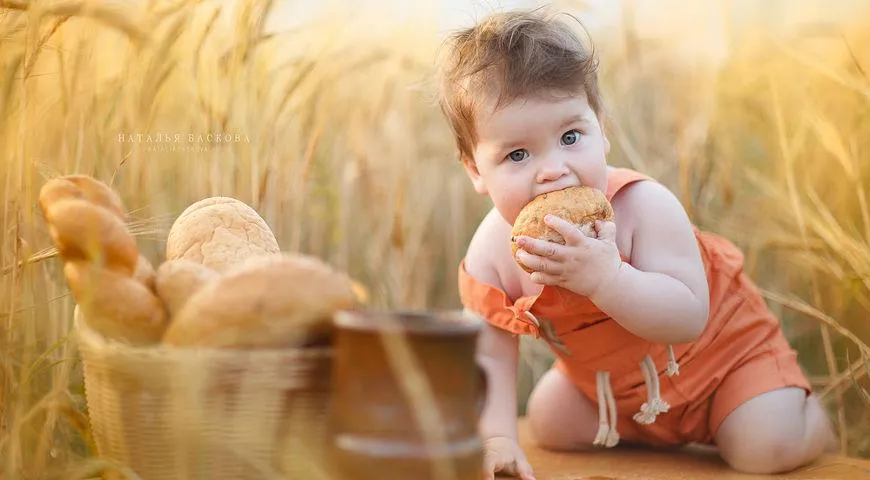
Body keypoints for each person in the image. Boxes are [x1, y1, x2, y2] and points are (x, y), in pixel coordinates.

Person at [434, 8, 835, 480]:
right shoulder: (492, 255)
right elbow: (491, 354)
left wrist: (608, 277)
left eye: (570, 136)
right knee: (549, 421)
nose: (553, 169)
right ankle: (649, 427)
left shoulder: (643, 207)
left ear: (602, 130)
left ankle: (808, 422)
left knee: (764, 447)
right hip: (616, 389)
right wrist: (497, 438)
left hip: (723, 367)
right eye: (517, 154)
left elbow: (687, 317)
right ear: (476, 170)